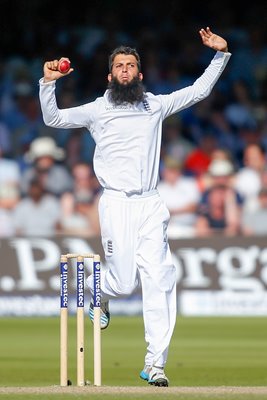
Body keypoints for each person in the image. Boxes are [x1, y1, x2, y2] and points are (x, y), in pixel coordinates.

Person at [39, 27, 231, 386]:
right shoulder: (98, 109)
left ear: (139, 74)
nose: (125, 70)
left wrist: (220, 55)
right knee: (124, 282)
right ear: (110, 76)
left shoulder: (154, 105)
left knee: (160, 279)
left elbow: (199, 91)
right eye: (119, 66)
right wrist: (48, 84)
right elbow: (54, 119)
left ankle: (155, 364)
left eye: (131, 65)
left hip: (151, 204)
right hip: (116, 203)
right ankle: (101, 296)